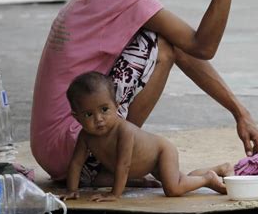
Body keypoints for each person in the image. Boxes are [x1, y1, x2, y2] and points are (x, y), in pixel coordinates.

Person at [31, 0, 258, 186]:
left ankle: (115, 162)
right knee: (161, 44)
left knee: (165, 41)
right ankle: (112, 163)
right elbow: (202, 46)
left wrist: (239, 113)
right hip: (73, 145)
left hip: (57, 147)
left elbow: (190, 50)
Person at [63, 71, 234, 201]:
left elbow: (124, 165)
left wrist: (115, 194)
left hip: (161, 152)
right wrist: (72, 190)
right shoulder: (86, 137)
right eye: (88, 115)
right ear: (76, 117)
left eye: (104, 109)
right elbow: (76, 163)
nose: (99, 119)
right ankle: (219, 169)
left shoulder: (124, 131)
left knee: (173, 189)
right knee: (182, 180)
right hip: (149, 163)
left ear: (116, 106)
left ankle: (208, 178)